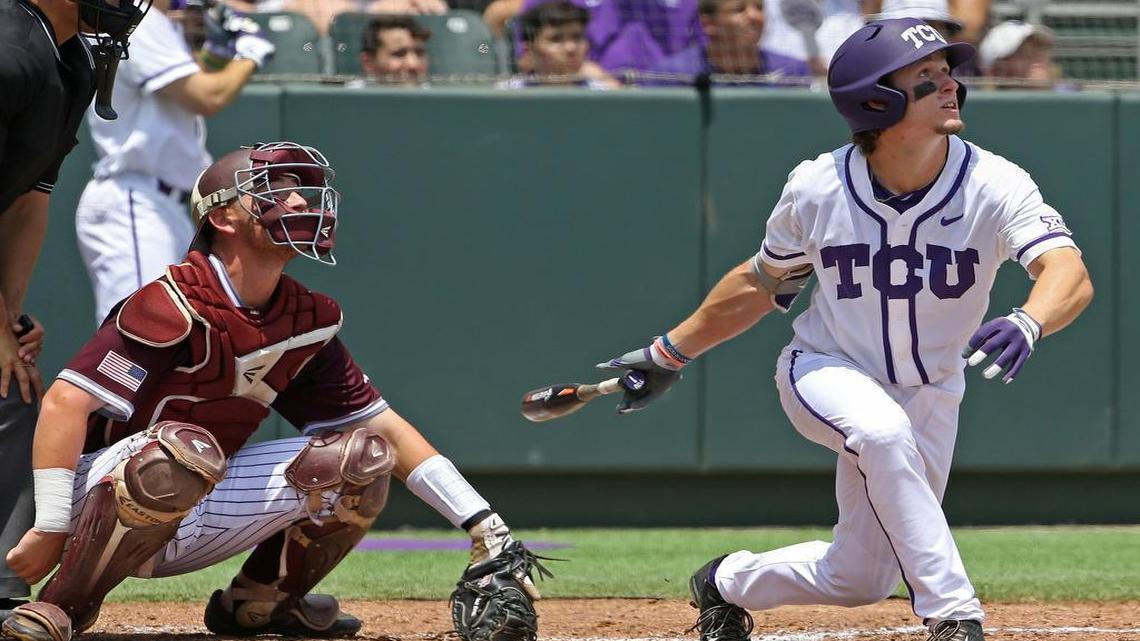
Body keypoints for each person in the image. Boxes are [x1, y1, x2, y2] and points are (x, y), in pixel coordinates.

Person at [592, 17, 1093, 641]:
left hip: (932, 394)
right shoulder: (819, 186)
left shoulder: (995, 181)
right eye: (927, 78)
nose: (951, 86)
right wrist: (667, 353)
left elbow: (1067, 271)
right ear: (876, 100)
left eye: (948, 74)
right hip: (827, 369)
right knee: (879, 432)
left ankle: (725, 582)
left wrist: (1030, 318)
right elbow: (758, 283)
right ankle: (954, 614)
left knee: (859, 578)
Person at [1, 142, 547, 641]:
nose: (297, 202)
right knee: (178, 453)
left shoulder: (304, 319)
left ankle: (260, 603)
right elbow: (64, 403)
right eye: (273, 193)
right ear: (222, 217)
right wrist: (49, 526)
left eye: (298, 191)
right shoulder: (172, 302)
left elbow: (384, 428)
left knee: (364, 456)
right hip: (98, 499)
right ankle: (63, 605)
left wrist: (484, 524)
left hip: (196, 493)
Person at [0, 0, 152, 617]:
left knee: (13, 385)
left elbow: (27, 201)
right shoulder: (10, 52)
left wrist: (8, 316)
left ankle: (3, 586)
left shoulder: (71, 63)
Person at [75, 0, 276, 327]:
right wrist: (249, 54)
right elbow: (206, 96)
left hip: (161, 204)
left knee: (179, 331)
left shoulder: (155, 23)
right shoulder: (141, 21)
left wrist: (219, 55)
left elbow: (195, 78)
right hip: (135, 200)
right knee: (140, 332)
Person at [650, 0, 811, 86]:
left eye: (759, 7)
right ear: (708, 24)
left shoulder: (793, 72)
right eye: (739, 9)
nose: (754, 16)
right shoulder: (671, 76)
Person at [500, 1, 618, 88]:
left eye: (577, 38)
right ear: (529, 49)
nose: (571, 48)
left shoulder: (601, 97)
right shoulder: (505, 97)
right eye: (555, 39)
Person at [978, 20, 1059, 89]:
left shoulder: (1068, 94)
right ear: (998, 68)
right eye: (1025, 51)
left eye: (1041, 48)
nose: (1039, 57)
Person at [359, 16, 432, 85]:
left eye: (420, 53)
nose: (413, 64)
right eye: (399, 54)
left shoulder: (437, 94)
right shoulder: (350, 96)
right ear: (368, 63)